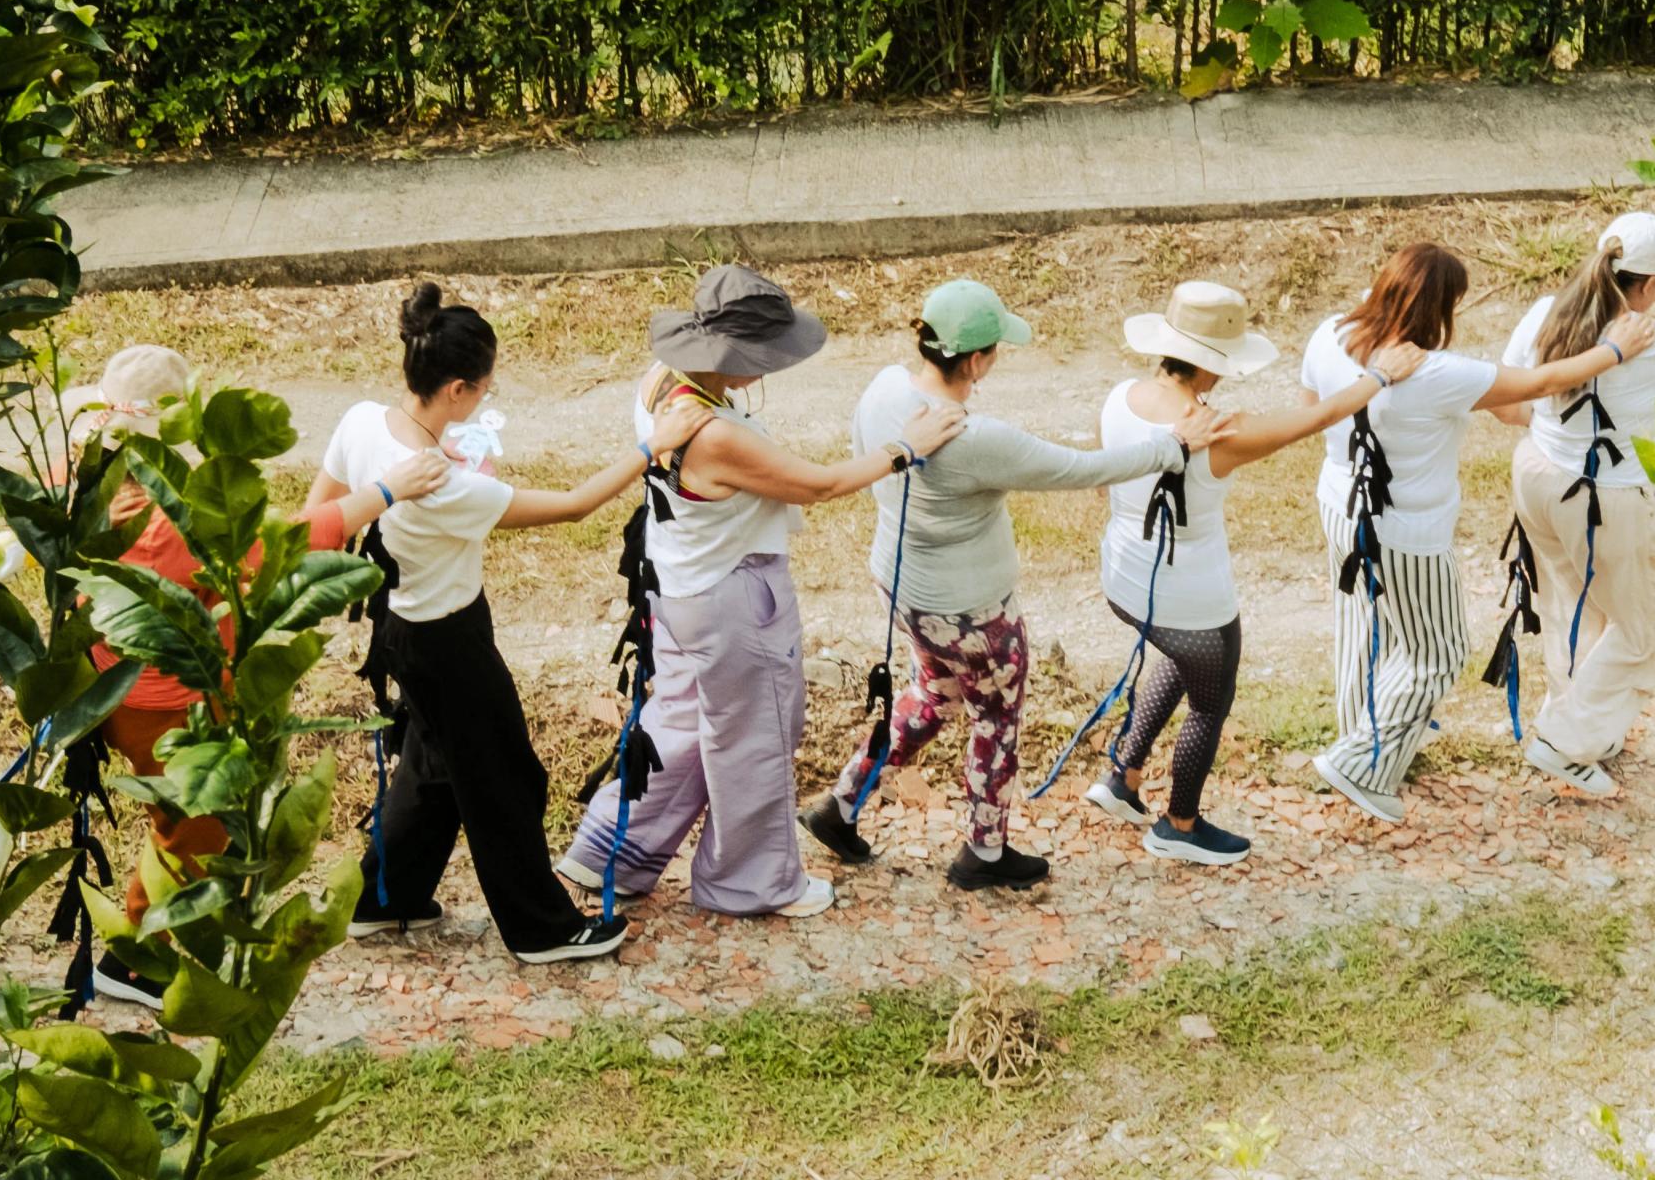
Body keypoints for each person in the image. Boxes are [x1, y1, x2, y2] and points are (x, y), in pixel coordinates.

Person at [554, 268, 959, 919]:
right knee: (757, 731)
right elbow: (820, 484)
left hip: (681, 587)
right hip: (734, 593)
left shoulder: (662, 380)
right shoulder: (714, 434)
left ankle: (612, 849)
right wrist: (904, 449)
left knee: (684, 722)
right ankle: (750, 881)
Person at [812, 279, 1228, 893]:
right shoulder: (974, 440)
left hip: (902, 589)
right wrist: (1170, 445)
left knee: (933, 693)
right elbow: (1078, 468)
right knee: (995, 718)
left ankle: (842, 804)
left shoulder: (883, 388)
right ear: (977, 361)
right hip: (971, 609)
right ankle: (985, 850)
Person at [75, 345, 456, 1012]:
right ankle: (132, 961)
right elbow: (290, 536)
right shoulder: (178, 519)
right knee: (197, 828)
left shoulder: (92, 481)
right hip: (171, 700)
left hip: (113, 684)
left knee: (176, 822)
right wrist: (389, 490)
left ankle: (145, 937)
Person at [306, 285, 649, 965]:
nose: (487, 398)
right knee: (503, 776)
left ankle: (383, 896)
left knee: (435, 767)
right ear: (457, 388)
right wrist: (649, 448)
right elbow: (575, 506)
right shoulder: (446, 487)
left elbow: (322, 511)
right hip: (451, 638)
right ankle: (541, 929)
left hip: (400, 627)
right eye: (485, 388)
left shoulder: (361, 422)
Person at [1298, 244, 1655, 823]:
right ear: (1440, 308)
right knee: (1437, 651)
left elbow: (1311, 404)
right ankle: (1361, 761)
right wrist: (1614, 350)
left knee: (1365, 628)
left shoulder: (1329, 334)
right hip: (1408, 530)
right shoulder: (1437, 373)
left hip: (1339, 505)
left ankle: (1367, 739)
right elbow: (1542, 381)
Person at [1079, 281, 1405, 866]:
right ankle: (1179, 824)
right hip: (1194, 598)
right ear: (1212, 367)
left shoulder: (1117, 395)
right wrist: (1378, 377)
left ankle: (1121, 778)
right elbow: (1320, 418)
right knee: (1208, 699)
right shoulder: (1220, 432)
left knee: (1178, 659)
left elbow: (1106, 478)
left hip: (1124, 578)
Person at [1497, 211, 1655, 797]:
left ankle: (1584, 722)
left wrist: (1559, 432)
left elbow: (1507, 399)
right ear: (1650, 284)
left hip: (1538, 475)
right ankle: (1564, 740)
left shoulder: (1545, 313)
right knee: (1645, 621)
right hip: (1607, 499)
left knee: (1574, 601)